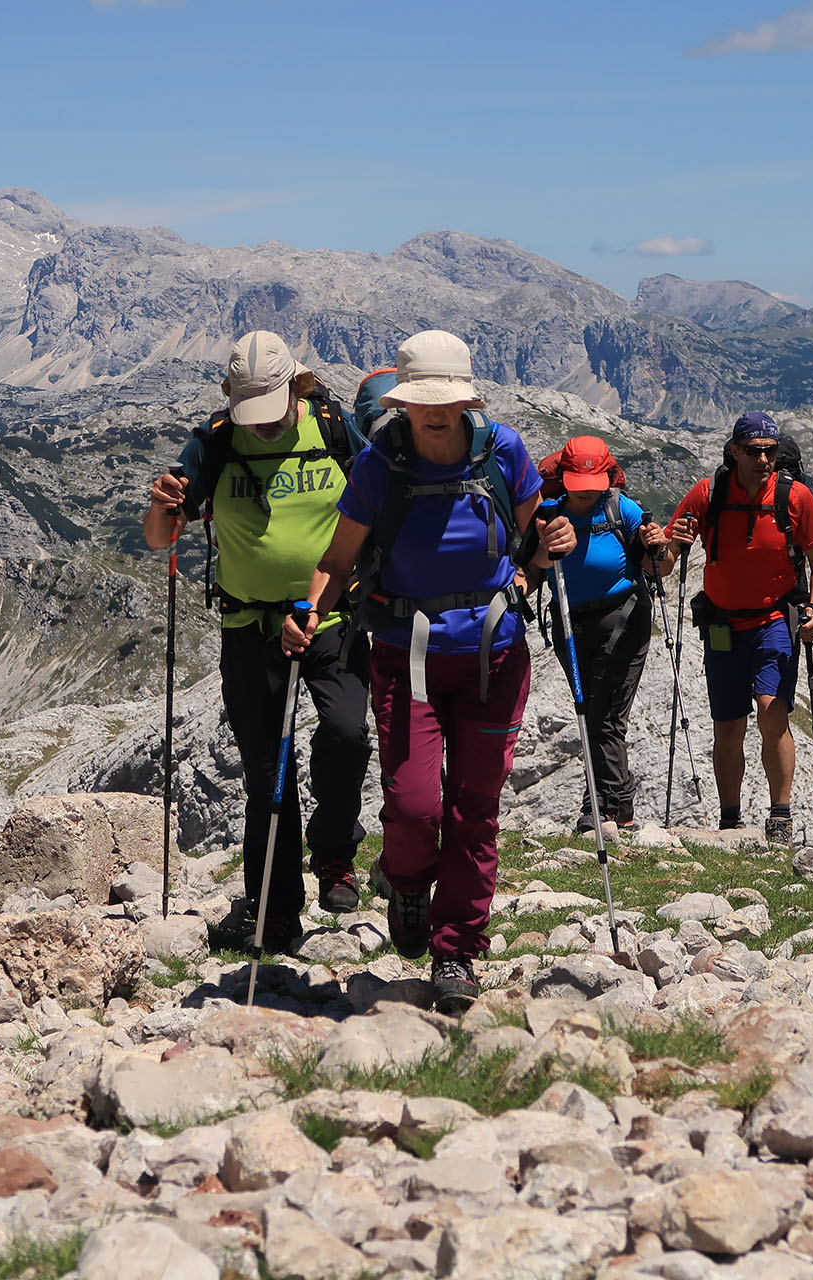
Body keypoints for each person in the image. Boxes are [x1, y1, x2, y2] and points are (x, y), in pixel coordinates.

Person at [287, 329, 567, 1015]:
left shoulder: (503, 451)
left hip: (495, 654)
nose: (436, 413)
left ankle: (457, 952)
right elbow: (339, 556)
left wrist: (542, 561)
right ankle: (408, 882)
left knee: (476, 809)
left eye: (446, 402)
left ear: (465, 400)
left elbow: (534, 537)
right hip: (406, 654)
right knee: (413, 805)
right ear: (406, 403)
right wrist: (307, 611)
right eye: (423, 403)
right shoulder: (382, 462)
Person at [142, 331, 370, 951]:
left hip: (330, 616)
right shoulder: (214, 442)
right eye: (252, 416)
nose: (263, 428)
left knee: (348, 731)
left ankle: (334, 856)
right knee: (268, 769)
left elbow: (373, 511)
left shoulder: (332, 429)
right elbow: (160, 538)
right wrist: (161, 506)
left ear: (297, 386)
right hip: (247, 626)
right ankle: (273, 906)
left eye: (271, 414)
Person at [656, 411, 813, 845]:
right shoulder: (706, 494)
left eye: (770, 451)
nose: (763, 460)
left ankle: (780, 816)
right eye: (754, 451)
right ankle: (730, 818)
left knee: (773, 714)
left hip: (774, 619)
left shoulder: (795, 498)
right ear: (734, 451)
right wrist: (665, 544)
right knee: (728, 726)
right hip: (722, 625)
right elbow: (663, 565)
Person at [521, 435, 668, 837]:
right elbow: (531, 573)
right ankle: (609, 808)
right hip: (570, 624)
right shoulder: (546, 515)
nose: (585, 494)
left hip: (625, 619)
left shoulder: (622, 509)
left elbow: (660, 568)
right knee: (589, 712)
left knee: (605, 715)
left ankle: (607, 808)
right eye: (578, 486)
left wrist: (659, 546)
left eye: (592, 487)